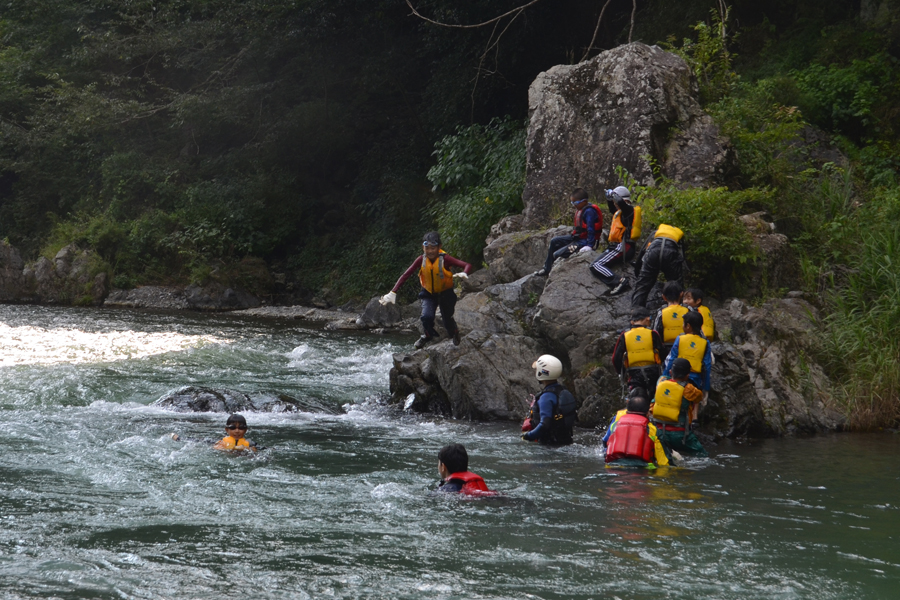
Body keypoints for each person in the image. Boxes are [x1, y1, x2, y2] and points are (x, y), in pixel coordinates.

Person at [379, 231, 472, 349]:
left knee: (447, 321)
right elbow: (406, 275)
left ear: (439, 247)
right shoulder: (420, 260)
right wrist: (393, 292)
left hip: (445, 294)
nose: (430, 251)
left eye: (433, 248)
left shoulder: (445, 259)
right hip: (428, 293)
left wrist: (465, 272)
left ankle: (455, 332)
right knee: (426, 317)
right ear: (423, 248)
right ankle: (427, 335)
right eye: (427, 248)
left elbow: (467, 265)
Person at [534, 188, 602, 277]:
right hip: (577, 238)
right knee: (554, 241)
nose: (574, 205)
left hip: (583, 242)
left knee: (557, 254)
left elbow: (591, 229)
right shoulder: (581, 209)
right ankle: (546, 269)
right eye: (572, 203)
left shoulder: (589, 211)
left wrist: (589, 245)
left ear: (584, 201)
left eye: (575, 203)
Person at [589, 186, 641, 296]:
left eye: (615, 201)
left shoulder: (629, 211)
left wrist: (613, 194)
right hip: (619, 247)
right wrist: (609, 199)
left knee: (596, 265)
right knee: (596, 264)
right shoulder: (620, 212)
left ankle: (619, 281)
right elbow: (613, 208)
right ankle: (618, 281)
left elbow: (621, 203)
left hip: (624, 247)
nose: (615, 204)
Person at [651, 358, 708, 456]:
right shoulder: (688, 389)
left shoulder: (660, 383)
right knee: (703, 456)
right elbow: (699, 397)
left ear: (670, 372)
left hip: (659, 433)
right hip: (680, 435)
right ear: (687, 375)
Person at [603, 388, 669, 468]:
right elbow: (663, 461)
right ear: (648, 413)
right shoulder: (652, 429)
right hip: (641, 469)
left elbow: (605, 442)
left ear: (627, 411)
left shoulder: (615, 425)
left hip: (613, 466)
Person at [521, 355, 577, 445]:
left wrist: (528, 436)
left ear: (541, 372)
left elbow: (544, 424)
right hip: (566, 441)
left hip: (550, 445)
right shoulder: (563, 391)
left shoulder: (546, 397)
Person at [611, 306, 664, 398]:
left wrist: (621, 373)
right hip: (653, 372)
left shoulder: (624, 335)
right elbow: (663, 352)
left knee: (637, 397)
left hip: (634, 373)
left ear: (632, 322)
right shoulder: (652, 333)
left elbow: (616, 358)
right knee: (654, 398)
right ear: (647, 318)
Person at [631, 223, 686, 309]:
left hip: (653, 252)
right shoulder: (679, 235)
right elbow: (682, 255)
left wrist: (638, 272)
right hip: (670, 253)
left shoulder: (655, 233)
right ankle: (678, 311)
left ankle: (635, 314)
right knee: (675, 284)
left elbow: (643, 251)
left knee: (642, 286)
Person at [662, 310, 712, 397]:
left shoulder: (680, 338)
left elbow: (671, 358)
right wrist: (705, 387)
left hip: (678, 377)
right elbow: (707, 365)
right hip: (695, 380)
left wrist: (665, 376)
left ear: (688, 326)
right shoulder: (705, 342)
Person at [172, 413, 259, 452]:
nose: (237, 431)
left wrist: (248, 449)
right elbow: (199, 441)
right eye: (233, 428)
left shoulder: (250, 443)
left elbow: (264, 449)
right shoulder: (220, 442)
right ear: (227, 430)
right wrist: (179, 438)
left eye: (240, 428)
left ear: (245, 430)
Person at [652, 281, 686, 358]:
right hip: (686, 346)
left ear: (663, 297)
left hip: (667, 349)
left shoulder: (661, 312)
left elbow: (655, 332)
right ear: (681, 294)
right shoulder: (688, 310)